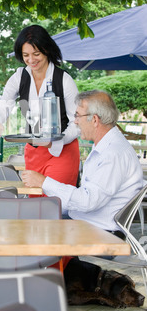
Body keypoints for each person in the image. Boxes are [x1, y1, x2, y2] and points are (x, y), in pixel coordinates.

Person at [21, 90, 145, 234]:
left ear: (94, 120)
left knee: (28, 231)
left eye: (78, 116)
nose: (75, 121)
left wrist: (44, 183)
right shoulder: (106, 146)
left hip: (98, 233)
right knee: (31, 218)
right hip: (87, 224)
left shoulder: (113, 153)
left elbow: (88, 201)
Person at [0, 24, 80, 186]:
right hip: (34, 152)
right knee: (34, 203)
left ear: (47, 50)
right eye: (26, 55)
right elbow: (4, 104)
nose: (31, 60)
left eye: (36, 54)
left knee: (54, 200)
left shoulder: (64, 80)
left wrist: (57, 141)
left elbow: (77, 123)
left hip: (62, 151)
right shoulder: (19, 77)